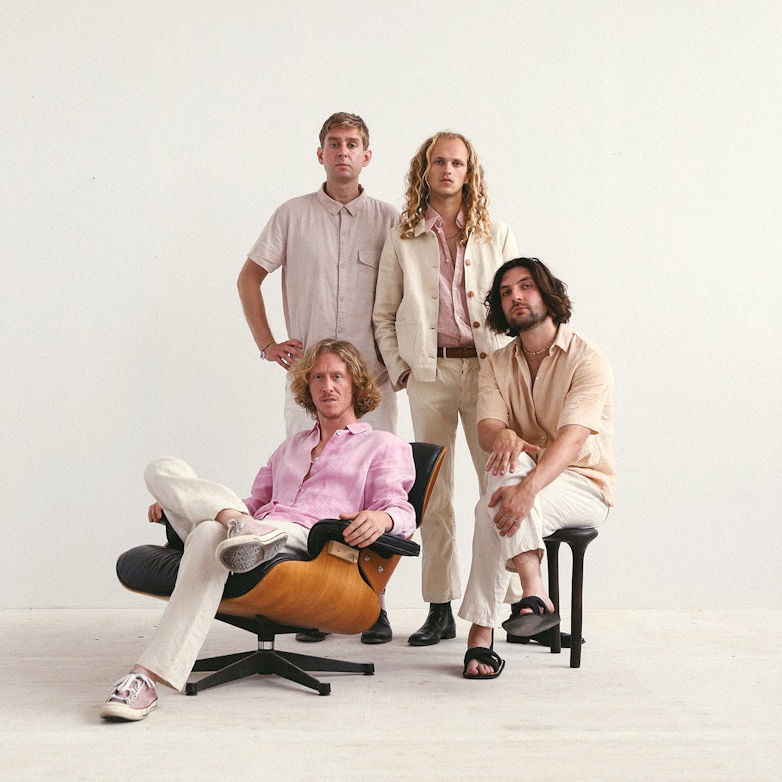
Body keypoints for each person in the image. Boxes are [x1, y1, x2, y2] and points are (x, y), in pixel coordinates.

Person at [100, 339, 416, 721]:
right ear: (307, 386)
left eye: (337, 377)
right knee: (164, 471)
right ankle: (241, 530)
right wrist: (181, 503)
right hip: (254, 528)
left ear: (355, 384)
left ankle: (143, 678)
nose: (327, 386)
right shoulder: (290, 447)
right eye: (317, 377)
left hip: (311, 542)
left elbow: (401, 509)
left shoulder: (383, 445)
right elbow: (254, 500)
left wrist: (383, 519)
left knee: (208, 533)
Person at [238, 112, 399, 644]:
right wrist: (267, 343)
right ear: (320, 153)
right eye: (334, 143)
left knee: (374, 491)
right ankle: (310, 601)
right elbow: (250, 276)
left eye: (353, 144)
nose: (343, 152)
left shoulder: (389, 220)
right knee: (303, 488)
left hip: (372, 382)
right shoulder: (292, 215)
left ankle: (371, 605)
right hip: (310, 383)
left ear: (367, 156)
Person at [372, 132, 518, 646]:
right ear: (425, 169)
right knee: (433, 493)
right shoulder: (403, 236)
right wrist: (403, 369)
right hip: (428, 376)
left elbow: (516, 306)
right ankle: (439, 607)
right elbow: (384, 313)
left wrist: (513, 377)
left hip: (488, 375)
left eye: (457, 162)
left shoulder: (496, 234)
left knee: (499, 486)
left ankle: (509, 605)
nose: (448, 170)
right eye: (439, 161)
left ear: (469, 171)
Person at [458, 258, 615, 679]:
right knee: (501, 470)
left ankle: (482, 633)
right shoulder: (496, 364)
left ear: (546, 293)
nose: (516, 297)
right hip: (524, 477)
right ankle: (534, 594)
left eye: (525, 286)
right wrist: (504, 436)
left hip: (584, 484)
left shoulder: (587, 357)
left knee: (492, 505)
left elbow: (572, 440)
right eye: (506, 292)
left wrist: (527, 489)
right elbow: (487, 428)